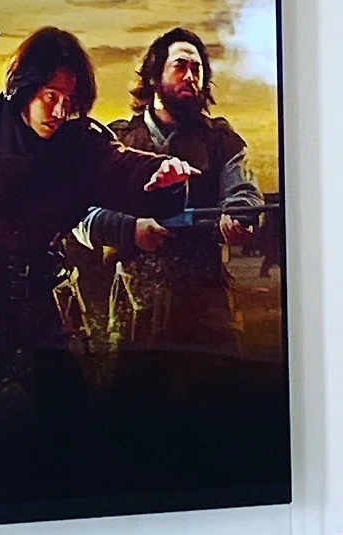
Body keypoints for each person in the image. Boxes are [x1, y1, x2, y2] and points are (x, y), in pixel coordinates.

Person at [0, 27, 197, 504]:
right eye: (50, 95)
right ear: (26, 86)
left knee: (69, 434)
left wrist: (160, 173)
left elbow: (120, 164)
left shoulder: (80, 142)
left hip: (45, 304)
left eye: (68, 101)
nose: (57, 111)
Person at [77, 28, 260, 355]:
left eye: (196, 69)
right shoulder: (116, 141)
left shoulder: (220, 139)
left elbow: (243, 191)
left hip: (207, 308)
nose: (190, 77)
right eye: (180, 66)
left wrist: (238, 216)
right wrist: (129, 229)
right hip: (135, 309)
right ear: (154, 76)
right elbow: (82, 216)